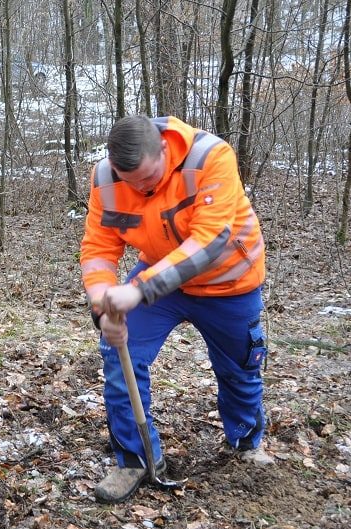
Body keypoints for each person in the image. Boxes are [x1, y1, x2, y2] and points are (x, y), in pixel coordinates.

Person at [80, 115, 272, 504]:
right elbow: (100, 248)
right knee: (121, 356)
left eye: (148, 180)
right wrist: (103, 307)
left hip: (229, 284)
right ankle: (136, 458)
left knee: (239, 369)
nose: (139, 189)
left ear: (164, 151)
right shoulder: (104, 178)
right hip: (159, 282)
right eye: (129, 180)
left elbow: (209, 241)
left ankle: (246, 442)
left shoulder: (210, 157)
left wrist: (139, 290)